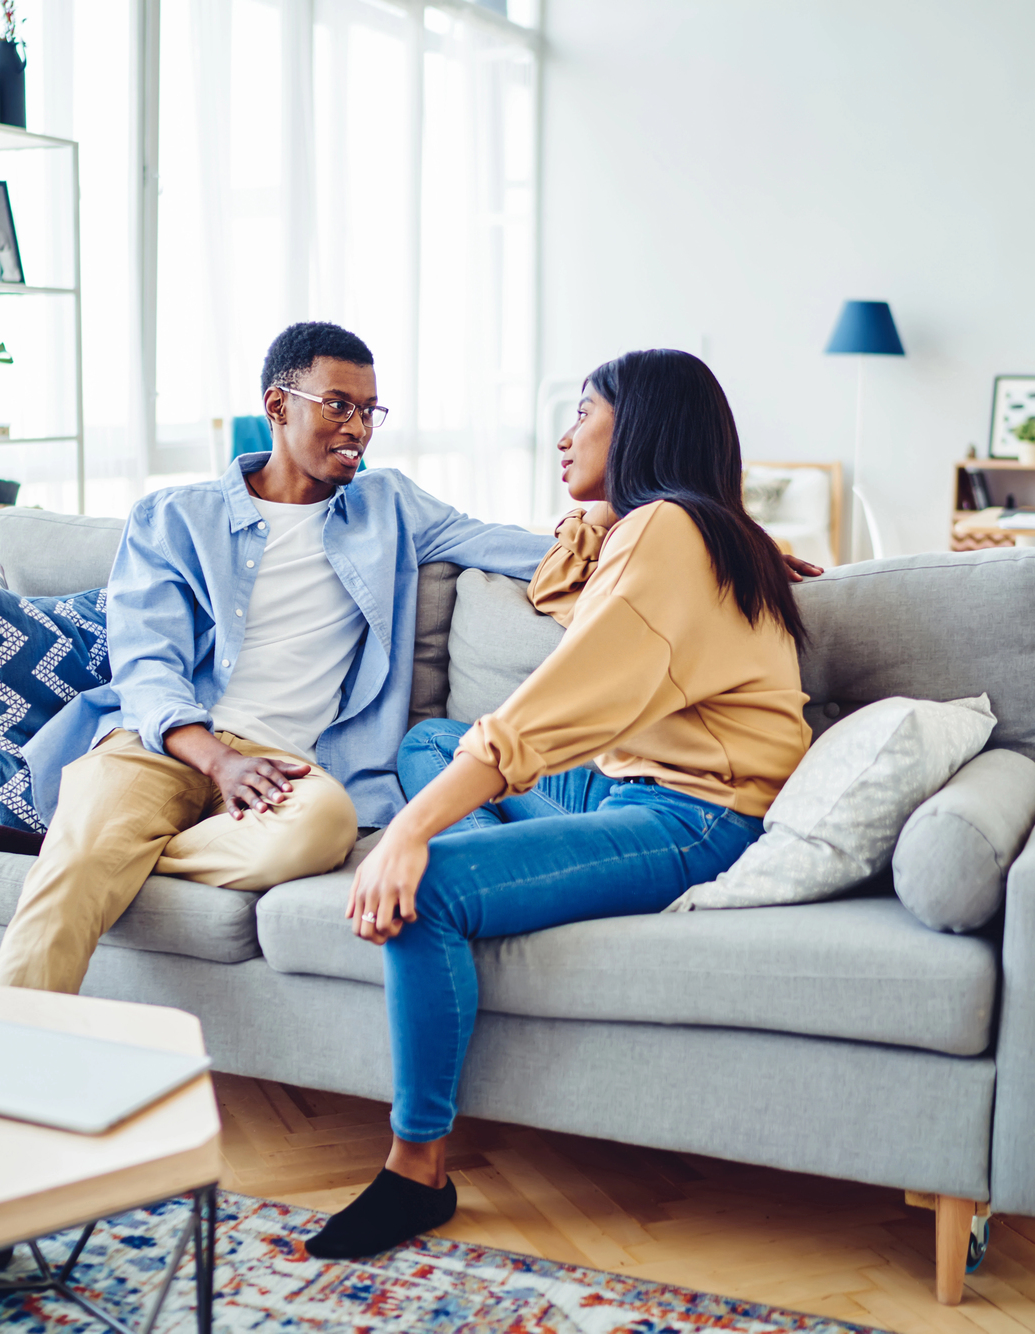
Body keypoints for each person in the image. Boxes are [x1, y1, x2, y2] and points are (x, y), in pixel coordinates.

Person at [304, 348, 813, 1260]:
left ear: (645, 424)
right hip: (625, 784)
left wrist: (412, 831)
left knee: (432, 890)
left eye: (584, 411)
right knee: (427, 742)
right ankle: (522, 858)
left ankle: (416, 1174)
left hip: (697, 817)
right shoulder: (678, 532)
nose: (563, 434)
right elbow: (569, 581)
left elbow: (552, 705)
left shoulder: (670, 533)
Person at [0, 322, 555, 994]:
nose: (359, 428)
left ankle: (120, 849)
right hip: (161, 746)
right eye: (338, 405)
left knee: (324, 828)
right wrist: (217, 758)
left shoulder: (390, 507)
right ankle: (6, 1058)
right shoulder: (174, 518)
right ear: (278, 406)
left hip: (285, 768)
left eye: (370, 410)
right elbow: (147, 665)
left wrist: (630, 532)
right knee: (79, 861)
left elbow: (512, 547)